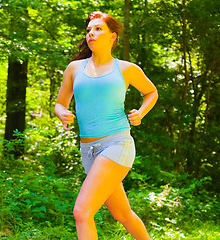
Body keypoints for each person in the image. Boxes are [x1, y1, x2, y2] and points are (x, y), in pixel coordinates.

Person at [54, 11, 158, 240]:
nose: (91, 33)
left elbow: (151, 92)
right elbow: (60, 104)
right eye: (89, 29)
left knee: (82, 211)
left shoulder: (126, 69)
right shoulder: (74, 69)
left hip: (116, 144)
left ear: (112, 36)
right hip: (88, 151)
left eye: (98, 28)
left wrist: (140, 112)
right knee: (122, 213)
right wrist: (63, 114)